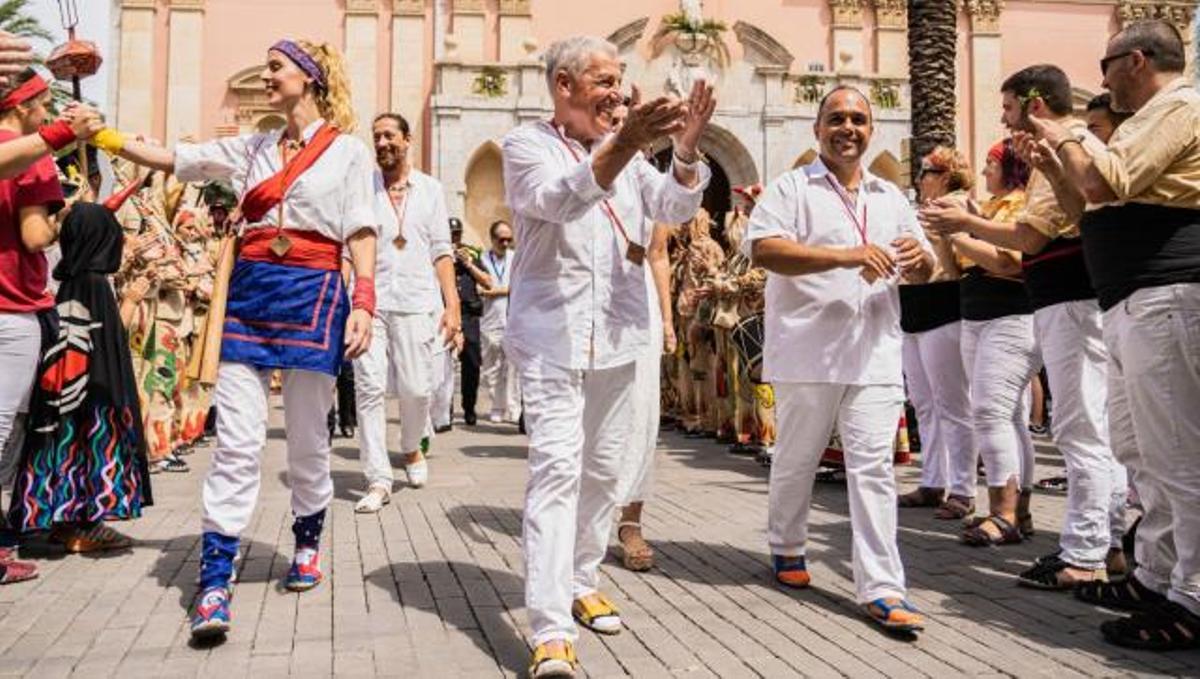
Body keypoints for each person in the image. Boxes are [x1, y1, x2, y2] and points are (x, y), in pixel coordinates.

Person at [103, 38, 379, 641]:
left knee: (308, 436)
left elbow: (360, 230)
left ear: (307, 78)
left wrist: (365, 301)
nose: (269, 76)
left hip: (313, 295)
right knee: (236, 442)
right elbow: (177, 157)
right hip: (251, 296)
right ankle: (214, 582)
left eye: (277, 68)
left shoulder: (349, 153)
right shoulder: (252, 146)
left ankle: (307, 544)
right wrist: (104, 137)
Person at [502, 35, 712, 677]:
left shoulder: (633, 158)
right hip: (552, 334)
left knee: (605, 471)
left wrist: (683, 149)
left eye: (621, 81)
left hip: (622, 331)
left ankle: (580, 577)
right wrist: (626, 143)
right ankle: (550, 627)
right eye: (604, 81)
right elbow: (560, 200)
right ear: (563, 86)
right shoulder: (526, 146)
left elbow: (674, 208)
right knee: (558, 472)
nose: (618, 93)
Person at [1024, 19, 1200, 650]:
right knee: (1142, 451)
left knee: (1178, 455)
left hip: (1166, 294)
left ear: (1134, 60)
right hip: (1131, 299)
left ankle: (1193, 596)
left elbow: (1105, 181)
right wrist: (1060, 163)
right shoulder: (1150, 118)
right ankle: (1155, 577)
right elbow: (1087, 208)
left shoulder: (1179, 105)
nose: (1099, 83)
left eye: (1104, 67)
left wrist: (1070, 133)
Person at [924, 64, 1126, 586]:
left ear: (1034, 106)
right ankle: (1106, 545)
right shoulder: (1053, 158)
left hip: (1073, 300)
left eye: (1010, 108)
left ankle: (1089, 551)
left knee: (1082, 428)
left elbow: (1032, 240)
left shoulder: (1064, 149)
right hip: (1061, 301)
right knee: (1090, 426)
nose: (1004, 120)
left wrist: (965, 222)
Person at [746, 85, 933, 633]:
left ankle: (881, 587)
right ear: (817, 129)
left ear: (871, 130)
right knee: (797, 461)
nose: (847, 127)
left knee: (873, 471)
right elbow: (764, 249)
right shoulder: (790, 188)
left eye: (858, 119)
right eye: (836, 118)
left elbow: (923, 269)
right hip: (808, 352)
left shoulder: (891, 197)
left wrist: (921, 261)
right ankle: (785, 545)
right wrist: (848, 255)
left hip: (875, 353)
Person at [9, 189, 153, 554]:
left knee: (60, 452)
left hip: (61, 393)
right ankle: (83, 524)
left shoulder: (70, 282)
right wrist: (132, 301)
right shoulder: (94, 285)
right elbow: (107, 342)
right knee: (87, 451)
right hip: (92, 395)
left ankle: (58, 521)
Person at [352, 112, 460, 513]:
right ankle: (378, 478)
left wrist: (452, 305)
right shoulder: (361, 188)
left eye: (389, 136)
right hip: (369, 302)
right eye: (376, 136)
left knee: (417, 389)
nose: (381, 143)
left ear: (407, 139)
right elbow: (350, 241)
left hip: (417, 300)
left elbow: (441, 250)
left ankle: (412, 446)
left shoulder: (430, 190)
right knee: (369, 387)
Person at [0, 68, 81, 585]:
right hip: (14, 304)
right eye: (43, 104)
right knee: (5, 430)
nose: (47, 113)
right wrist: (65, 215)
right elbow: (33, 236)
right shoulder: (33, 157)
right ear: (23, 106)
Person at [896, 149, 975, 521]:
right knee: (924, 403)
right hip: (912, 303)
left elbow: (958, 258)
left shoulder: (957, 205)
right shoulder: (919, 208)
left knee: (952, 404)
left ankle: (962, 489)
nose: (919, 178)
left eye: (926, 171)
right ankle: (932, 479)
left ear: (946, 175)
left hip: (942, 301)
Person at [479, 219, 519, 424]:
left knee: (511, 367)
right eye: (502, 240)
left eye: (509, 240)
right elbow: (477, 289)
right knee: (491, 367)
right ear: (492, 239)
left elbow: (518, 286)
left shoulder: (515, 258)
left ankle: (512, 407)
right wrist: (495, 291)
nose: (505, 244)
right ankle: (496, 404)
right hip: (489, 320)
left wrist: (493, 291)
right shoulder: (482, 259)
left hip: (512, 318)